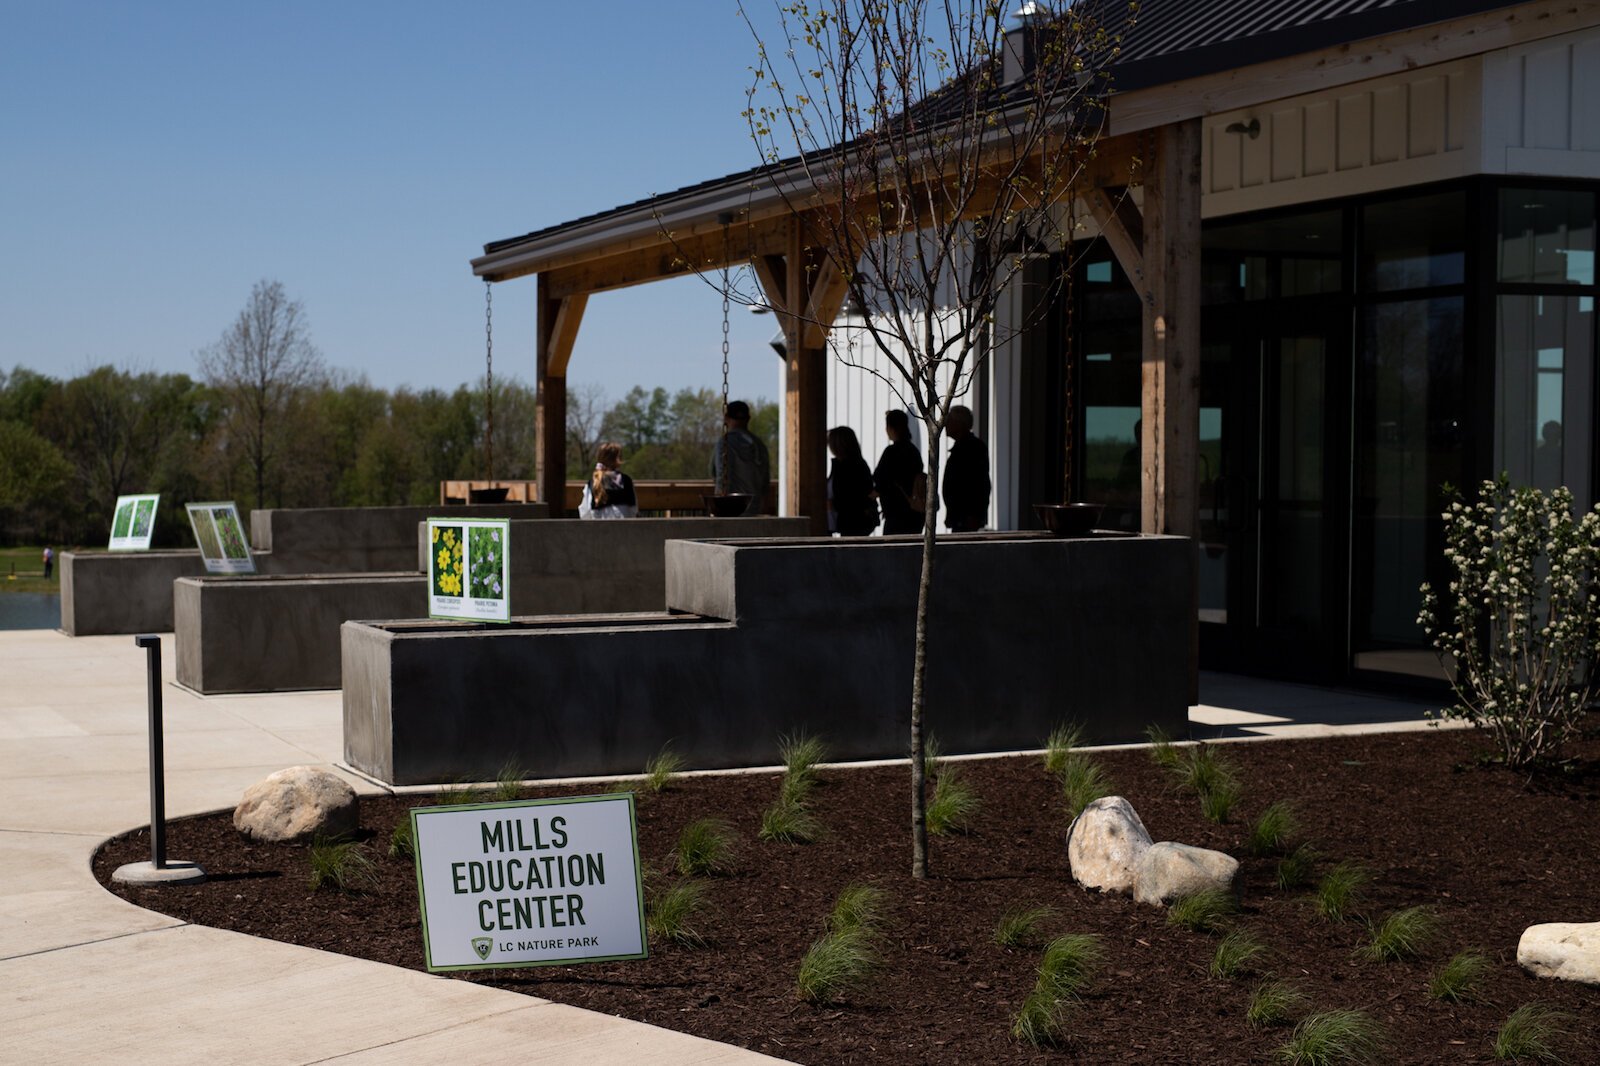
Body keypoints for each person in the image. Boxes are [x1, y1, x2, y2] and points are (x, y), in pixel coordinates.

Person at [709, 399, 771, 515]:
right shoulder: (759, 445)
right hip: (756, 509)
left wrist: (716, 507)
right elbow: (765, 483)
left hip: (731, 509)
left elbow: (721, 477)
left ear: (726, 418)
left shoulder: (725, 443)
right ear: (748, 419)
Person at [874, 408, 924, 535]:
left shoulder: (891, 452)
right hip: (915, 512)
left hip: (896, 513)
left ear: (891, 428)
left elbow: (880, 480)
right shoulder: (913, 451)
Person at [942, 405, 990, 532]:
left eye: (949, 421)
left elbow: (980, 484)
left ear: (960, 424)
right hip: (959, 518)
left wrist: (974, 515)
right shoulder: (961, 448)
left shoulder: (973, 449)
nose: (945, 424)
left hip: (967, 519)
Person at [827, 426, 878, 536]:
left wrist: (833, 504)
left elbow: (854, 497)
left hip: (853, 523)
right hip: (845, 522)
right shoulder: (842, 465)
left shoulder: (852, 467)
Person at [578, 442, 638, 519]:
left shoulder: (593, 482)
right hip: (624, 529)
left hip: (599, 530)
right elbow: (634, 510)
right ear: (618, 460)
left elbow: (584, 514)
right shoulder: (626, 481)